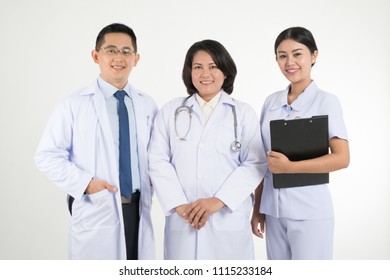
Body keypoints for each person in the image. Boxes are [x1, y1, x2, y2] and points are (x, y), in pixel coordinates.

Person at [34, 23, 157, 260]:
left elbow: (157, 155)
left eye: (126, 51)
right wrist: (85, 183)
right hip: (98, 207)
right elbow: (46, 155)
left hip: (137, 208)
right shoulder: (74, 104)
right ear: (96, 55)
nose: (119, 57)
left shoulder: (147, 104)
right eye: (111, 50)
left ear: (136, 58)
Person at [148, 39, 268, 260]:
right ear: (189, 73)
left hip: (226, 221)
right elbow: (157, 160)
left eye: (213, 66)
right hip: (183, 221)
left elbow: (255, 163)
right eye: (198, 67)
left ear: (225, 71)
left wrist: (218, 200)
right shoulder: (171, 111)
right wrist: (179, 204)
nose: (206, 74)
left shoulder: (242, 113)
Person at [251, 26, 350, 260]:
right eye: (282, 56)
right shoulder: (271, 102)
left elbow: (342, 158)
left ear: (313, 56)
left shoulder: (326, 101)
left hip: (310, 211)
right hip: (273, 212)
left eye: (297, 54)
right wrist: (257, 210)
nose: (289, 62)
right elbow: (262, 161)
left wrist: (291, 168)